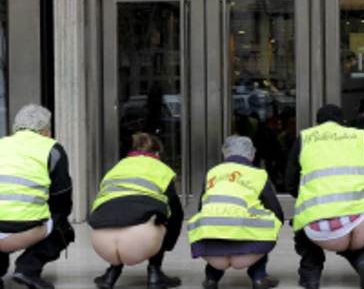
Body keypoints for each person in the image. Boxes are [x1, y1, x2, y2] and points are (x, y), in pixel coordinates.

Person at [286, 104, 364, 289]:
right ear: (344, 122)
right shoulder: (360, 136)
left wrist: (307, 198)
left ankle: (310, 276)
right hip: (362, 222)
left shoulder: (305, 137)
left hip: (321, 228)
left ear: (316, 124)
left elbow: (290, 182)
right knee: (357, 237)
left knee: (303, 222)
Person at [89, 133, 183, 289]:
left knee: (117, 214)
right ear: (157, 154)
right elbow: (176, 213)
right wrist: (168, 244)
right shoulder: (162, 169)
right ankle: (155, 272)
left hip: (100, 242)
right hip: (139, 242)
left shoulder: (116, 168)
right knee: (162, 219)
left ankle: (111, 274)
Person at [189, 136, 283, 289]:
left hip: (211, 250)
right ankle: (259, 277)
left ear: (225, 154)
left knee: (213, 223)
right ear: (252, 155)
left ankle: (211, 278)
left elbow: (201, 207)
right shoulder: (258, 174)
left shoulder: (212, 172)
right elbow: (274, 208)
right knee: (264, 224)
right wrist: (275, 227)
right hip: (248, 251)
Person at [0, 104, 74, 289]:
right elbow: (62, 197)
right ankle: (28, 268)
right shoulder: (53, 149)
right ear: (44, 130)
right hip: (26, 230)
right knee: (62, 228)